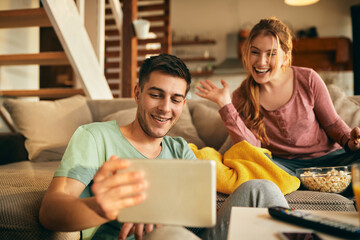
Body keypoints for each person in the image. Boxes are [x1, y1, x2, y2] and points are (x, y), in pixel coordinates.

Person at [39, 53, 289, 240]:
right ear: (138, 94)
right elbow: (50, 211)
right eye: (156, 95)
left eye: (176, 99)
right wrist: (103, 207)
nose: (165, 108)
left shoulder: (179, 148)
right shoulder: (94, 136)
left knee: (261, 189)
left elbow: (198, 212)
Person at [196, 17, 360, 176]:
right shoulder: (242, 95)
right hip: (281, 168)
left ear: (285, 57)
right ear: (247, 53)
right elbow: (252, 150)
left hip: (329, 162)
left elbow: (332, 123)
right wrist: (225, 105)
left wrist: (350, 142)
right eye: (255, 52)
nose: (261, 61)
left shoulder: (308, 79)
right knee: (250, 164)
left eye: (271, 54)